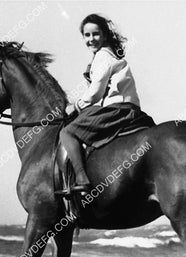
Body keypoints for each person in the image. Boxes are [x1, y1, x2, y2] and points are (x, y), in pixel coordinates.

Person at [60, 13, 155, 193]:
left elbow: (95, 93)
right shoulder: (110, 54)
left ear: (104, 35)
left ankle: (81, 178)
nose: (91, 39)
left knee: (67, 132)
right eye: (87, 35)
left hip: (117, 110)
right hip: (130, 109)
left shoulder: (102, 56)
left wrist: (76, 106)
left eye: (95, 34)